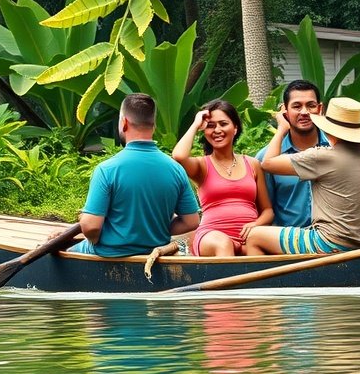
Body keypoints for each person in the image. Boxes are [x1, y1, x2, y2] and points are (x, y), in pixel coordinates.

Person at [243, 97, 360, 255]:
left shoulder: (322, 157)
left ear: (328, 129)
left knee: (254, 237)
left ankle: (273, 281)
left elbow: (267, 163)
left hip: (326, 243)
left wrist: (282, 129)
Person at [74, 93, 201, 258]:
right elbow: (191, 221)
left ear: (124, 122)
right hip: (154, 252)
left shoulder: (107, 169)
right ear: (153, 126)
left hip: (110, 253)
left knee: (62, 253)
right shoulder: (175, 169)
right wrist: (155, 228)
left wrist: (92, 232)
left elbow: (91, 227)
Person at [172, 99, 274, 256]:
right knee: (223, 243)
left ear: (235, 128)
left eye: (223, 124)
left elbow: (267, 211)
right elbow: (179, 156)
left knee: (257, 253)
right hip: (212, 236)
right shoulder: (202, 165)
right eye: (211, 126)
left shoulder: (253, 164)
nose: (217, 130)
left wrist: (255, 224)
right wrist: (195, 124)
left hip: (248, 237)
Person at [255, 79, 329, 227]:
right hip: (286, 243)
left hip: (332, 241)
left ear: (320, 109)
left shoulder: (335, 150)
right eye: (297, 106)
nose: (304, 112)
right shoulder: (266, 158)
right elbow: (264, 210)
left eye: (311, 105)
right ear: (284, 111)